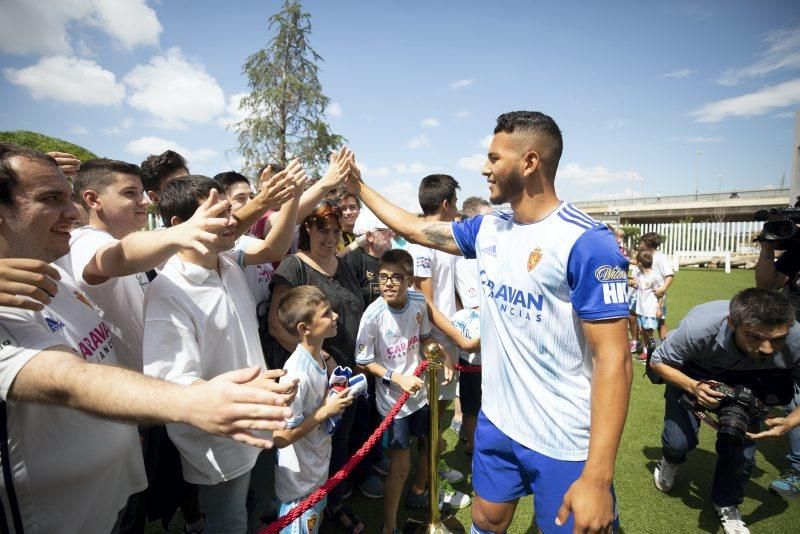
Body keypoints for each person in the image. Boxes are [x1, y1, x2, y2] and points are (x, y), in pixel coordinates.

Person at [343, 110, 631, 534]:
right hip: (497, 422)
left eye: (494, 158)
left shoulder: (587, 243)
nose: (484, 168)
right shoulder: (490, 229)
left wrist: (599, 476)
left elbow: (615, 361)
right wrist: (359, 187)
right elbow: (420, 230)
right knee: (486, 519)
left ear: (530, 162)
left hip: (563, 437)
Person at [0, 142, 293, 533]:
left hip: (122, 472)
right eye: (52, 198)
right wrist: (189, 400)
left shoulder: (56, 278)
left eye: (67, 196)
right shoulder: (78, 253)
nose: (72, 212)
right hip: (60, 514)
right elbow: (64, 380)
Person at [142, 175, 302, 533]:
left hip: (261, 421)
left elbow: (274, 249)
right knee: (228, 523)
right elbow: (172, 384)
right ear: (179, 227)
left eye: (230, 211)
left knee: (261, 507)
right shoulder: (168, 292)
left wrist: (293, 197)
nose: (233, 221)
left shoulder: (228, 261)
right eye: (219, 214)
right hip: (219, 445)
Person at [649, 288, 800, 534]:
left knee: (741, 454)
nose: (767, 349)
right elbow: (658, 361)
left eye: (777, 339)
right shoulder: (699, 329)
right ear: (732, 323)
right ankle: (670, 458)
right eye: (754, 336)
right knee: (679, 441)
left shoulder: (795, 335)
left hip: (752, 380)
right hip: (693, 373)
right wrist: (693, 386)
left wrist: (792, 420)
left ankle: (727, 502)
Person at [265, 201, 366, 533]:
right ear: (307, 227)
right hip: (315, 379)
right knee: (313, 444)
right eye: (324, 230)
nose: (332, 237)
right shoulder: (294, 266)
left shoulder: (344, 263)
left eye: (337, 231)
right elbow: (279, 325)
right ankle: (303, 510)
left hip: (344, 378)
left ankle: (329, 503)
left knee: (338, 442)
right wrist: (324, 359)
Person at [356, 249, 465, 534]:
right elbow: (363, 361)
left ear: (410, 280)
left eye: (397, 277)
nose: (389, 283)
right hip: (393, 403)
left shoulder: (418, 301)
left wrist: (442, 356)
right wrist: (396, 378)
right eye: (383, 277)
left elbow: (425, 336)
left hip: (422, 395)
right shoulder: (373, 315)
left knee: (430, 446)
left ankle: (420, 493)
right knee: (400, 466)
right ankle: (389, 525)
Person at [273, 286, 354, 534]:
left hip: (315, 472)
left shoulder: (318, 356)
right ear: (304, 329)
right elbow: (281, 437)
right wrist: (326, 410)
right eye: (327, 313)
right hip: (298, 487)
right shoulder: (296, 375)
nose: (335, 316)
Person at [407, 174, 465, 486]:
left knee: (439, 418)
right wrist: (454, 340)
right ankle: (422, 487)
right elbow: (426, 303)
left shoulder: (444, 241)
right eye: (455, 204)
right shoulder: (421, 247)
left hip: (448, 340)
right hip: (434, 345)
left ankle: (431, 471)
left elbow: (449, 293)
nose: (457, 211)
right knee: (431, 420)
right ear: (445, 204)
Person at [753, 238, 800, 498]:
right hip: (789, 337)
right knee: (793, 402)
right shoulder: (797, 251)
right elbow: (766, 285)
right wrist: (768, 248)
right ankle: (797, 469)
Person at [454, 196, 493, 454]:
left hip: (492, 348)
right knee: (472, 405)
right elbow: (475, 308)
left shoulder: (488, 253)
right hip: (475, 351)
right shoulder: (465, 262)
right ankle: (472, 450)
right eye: (486, 220)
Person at [639, 232, 674, 340]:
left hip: (656, 296)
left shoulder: (660, 257)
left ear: (647, 243)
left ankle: (665, 346)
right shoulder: (645, 255)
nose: (640, 244)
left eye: (642, 241)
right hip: (645, 296)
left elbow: (669, 275)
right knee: (643, 322)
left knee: (660, 322)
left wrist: (663, 288)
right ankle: (648, 348)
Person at [632, 250, 664, 362]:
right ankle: (646, 352)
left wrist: (659, 308)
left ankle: (653, 354)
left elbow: (661, 293)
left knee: (649, 331)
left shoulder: (655, 276)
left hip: (650, 309)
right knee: (642, 330)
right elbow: (638, 286)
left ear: (640, 263)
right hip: (640, 308)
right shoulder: (640, 274)